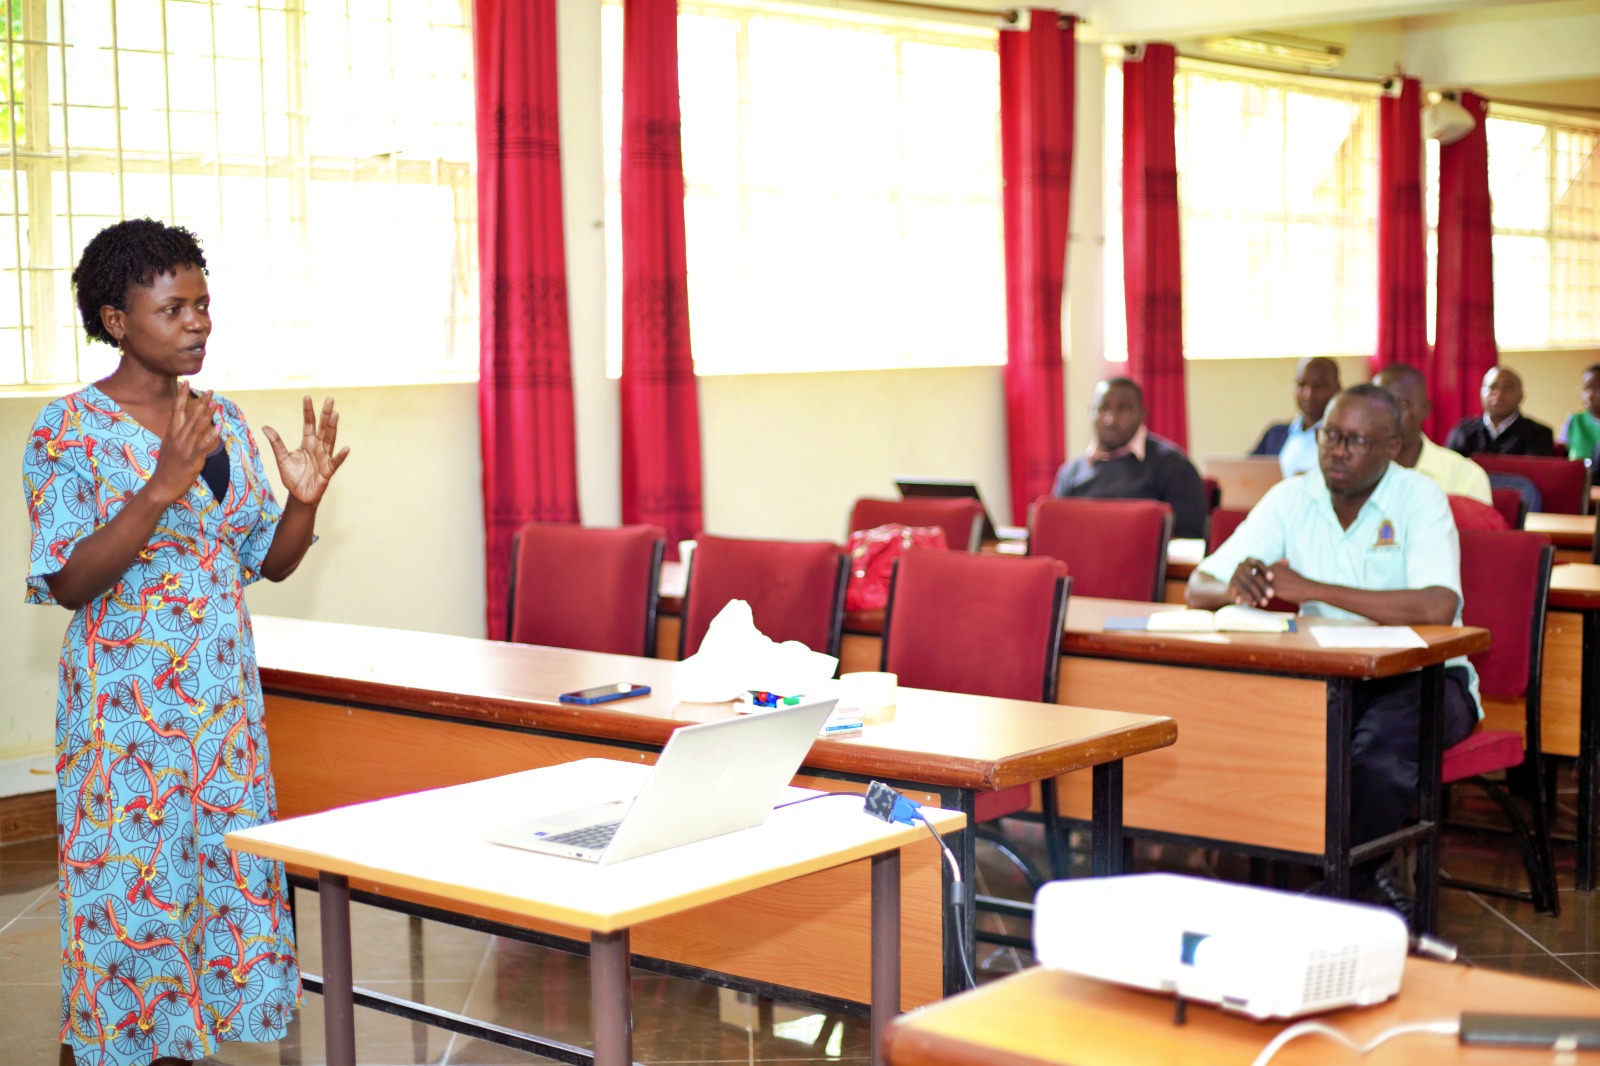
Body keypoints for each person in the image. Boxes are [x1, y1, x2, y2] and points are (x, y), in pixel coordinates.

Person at [24, 219, 349, 1066]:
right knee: (125, 926)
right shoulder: (67, 430)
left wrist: (303, 502)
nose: (198, 322)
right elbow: (68, 580)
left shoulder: (221, 421)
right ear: (116, 319)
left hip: (219, 723)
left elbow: (266, 561)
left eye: (202, 304)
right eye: (173, 309)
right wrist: (160, 487)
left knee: (211, 916)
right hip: (125, 727)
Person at [1187, 384, 1478, 907]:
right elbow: (1198, 586)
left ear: (1392, 447)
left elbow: (1438, 606)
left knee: (1376, 755)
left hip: (1426, 678)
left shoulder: (1420, 497)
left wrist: (1314, 589)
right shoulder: (1293, 496)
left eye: (1356, 441)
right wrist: (1236, 584)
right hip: (1331, 676)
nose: (1338, 451)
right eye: (1330, 435)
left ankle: (1341, 890)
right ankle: (1355, 874)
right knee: (1250, 735)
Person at [1052, 377, 1209, 540]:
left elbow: (1190, 538)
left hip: (1146, 556)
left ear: (1143, 415)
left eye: (1124, 410)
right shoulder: (1071, 472)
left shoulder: (1173, 466)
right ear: (1091, 412)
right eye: (1103, 409)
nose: (1111, 420)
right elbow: (1055, 535)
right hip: (1082, 555)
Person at [1372, 364, 1492, 504]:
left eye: (1401, 404)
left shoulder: (1465, 477)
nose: (1385, 415)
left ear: (1424, 409)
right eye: (1376, 405)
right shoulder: (1356, 474)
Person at [1251, 356, 1340, 476]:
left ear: (1338, 388)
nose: (1308, 394)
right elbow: (1245, 473)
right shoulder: (1275, 435)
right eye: (1301, 384)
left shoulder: (1342, 440)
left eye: (1318, 386)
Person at [1444, 366, 1556, 457]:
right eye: (1492, 387)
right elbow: (1447, 469)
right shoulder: (1463, 430)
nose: (1499, 394)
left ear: (1521, 396)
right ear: (1481, 393)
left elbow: (1534, 473)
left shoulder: (1538, 433)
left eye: (1507, 388)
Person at [1559, 363, 1600, 461]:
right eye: (1586, 389)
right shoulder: (1574, 420)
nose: (1589, 395)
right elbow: (1561, 456)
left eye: (1596, 389)